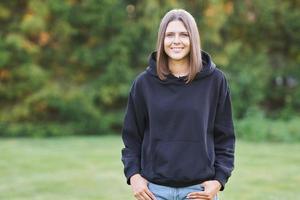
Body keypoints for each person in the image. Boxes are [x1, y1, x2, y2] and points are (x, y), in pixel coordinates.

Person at [121, 9, 235, 200]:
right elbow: (132, 138)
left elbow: (225, 137)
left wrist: (219, 180)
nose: (176, 41)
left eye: (183, 34)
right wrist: (133, 176)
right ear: (161, 40)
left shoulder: (215, 81)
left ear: (193, 39)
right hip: (154, 191)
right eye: (169, 35)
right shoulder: (143, 84)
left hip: (199, 191)